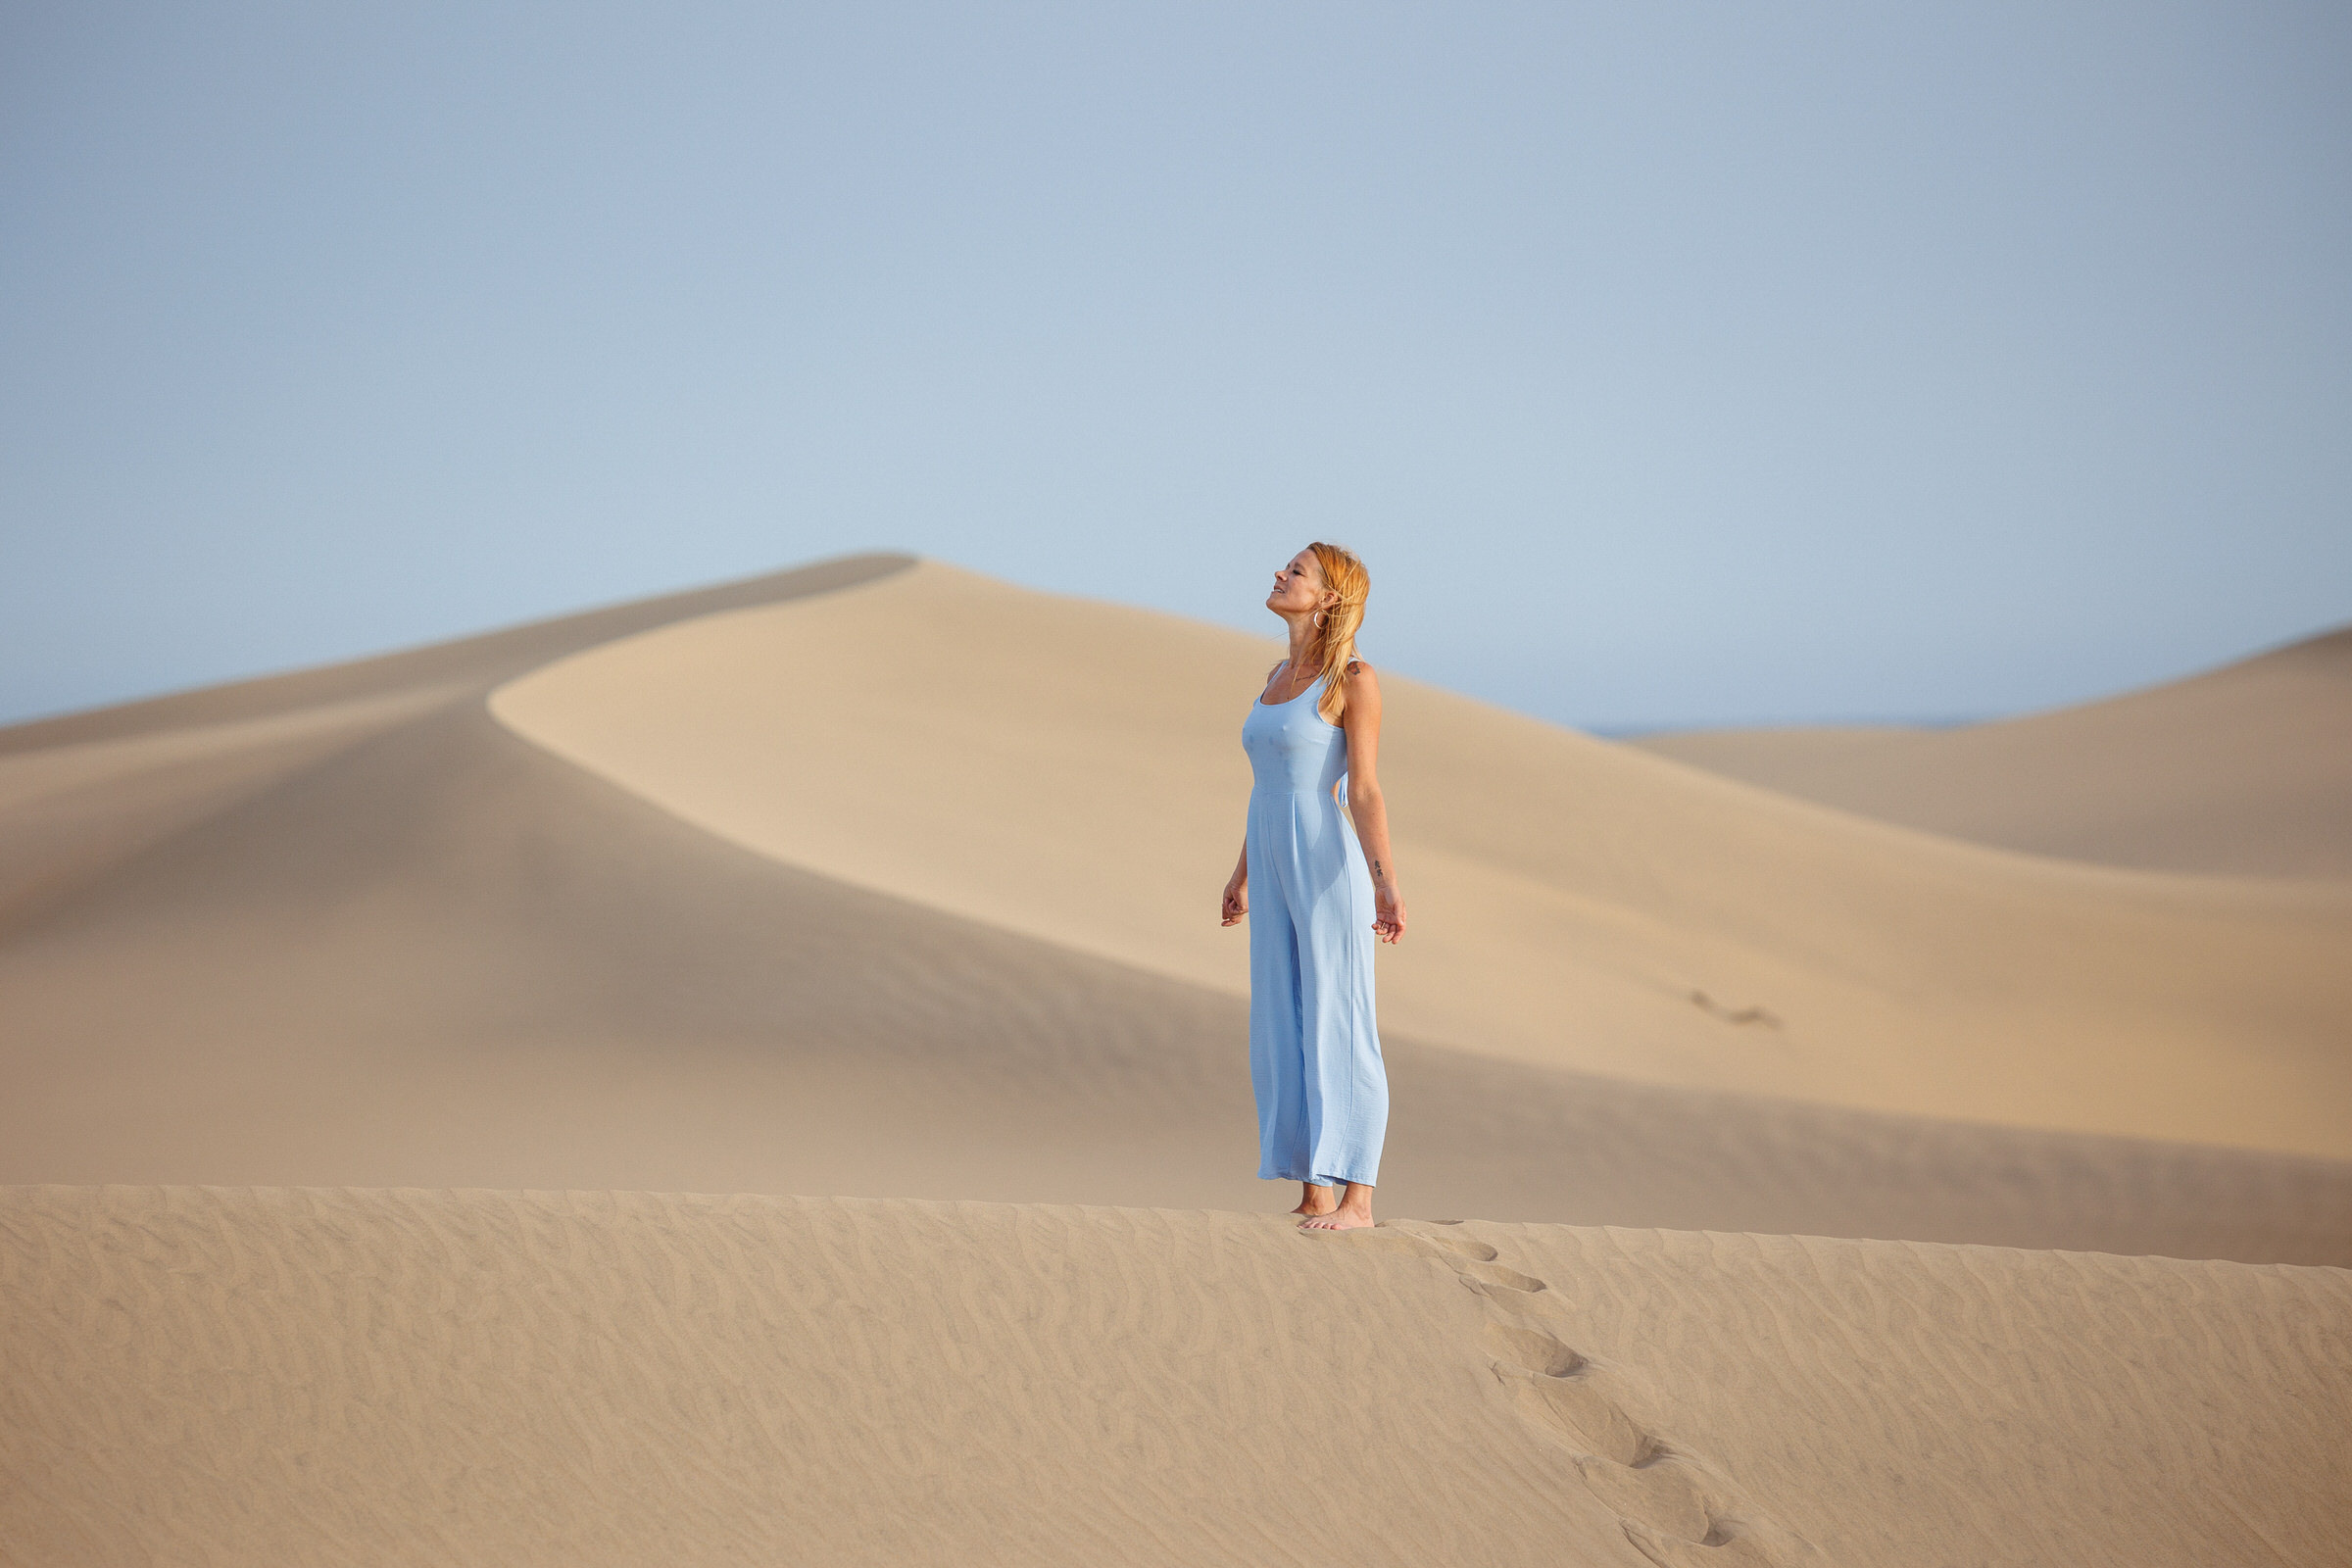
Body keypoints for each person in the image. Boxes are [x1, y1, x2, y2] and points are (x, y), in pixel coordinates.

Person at [1221, 542, 1405, 1232]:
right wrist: (1240, 875)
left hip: (1327, 862)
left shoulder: (1351, 678)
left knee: (1340, 1015)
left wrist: (1387, 887)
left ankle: (1357, 1198)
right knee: (1283, 1016)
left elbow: (1362, 790)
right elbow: (1267, 786)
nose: (1278, 573)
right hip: (1269, 860)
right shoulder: (1275, 675)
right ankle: (1313, 1188)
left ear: (1329, 598)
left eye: (1295, 571)